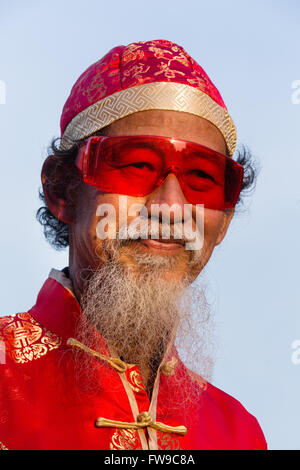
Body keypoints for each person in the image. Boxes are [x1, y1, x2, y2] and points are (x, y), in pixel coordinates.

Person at [0, 39, 267, 450]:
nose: (172, 208)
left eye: (202, 178)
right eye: (138, 165)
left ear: (224, 222)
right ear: (63, 191)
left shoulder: (237, 433)